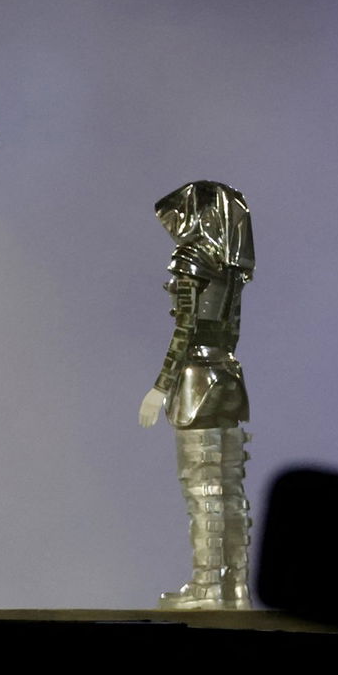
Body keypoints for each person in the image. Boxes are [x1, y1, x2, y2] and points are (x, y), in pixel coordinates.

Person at [138, 180, 254, 610]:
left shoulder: (192, 260)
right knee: (229, 488)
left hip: (197, 382)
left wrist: (159, 388)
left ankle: (207, 587)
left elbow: (183, 330)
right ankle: (235, 587)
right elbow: (233, 330)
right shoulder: (232, 265)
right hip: (229, 375)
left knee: (203, 487)